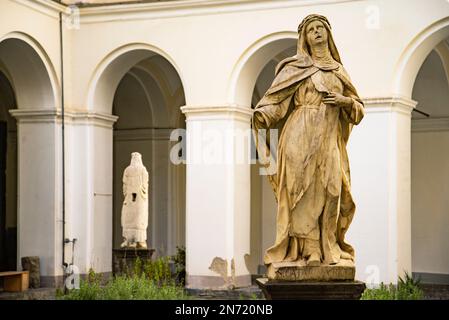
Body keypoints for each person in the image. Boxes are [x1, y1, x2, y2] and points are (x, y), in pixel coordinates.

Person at [253, 14, 364, 267]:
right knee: (302, 191)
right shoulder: (294, 68)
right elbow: (277, 103)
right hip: (298, 135)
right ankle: (311, 249)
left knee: (332, 189)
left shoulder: (339, 71)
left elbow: (358, 109)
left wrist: (344, 101)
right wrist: (263, 115)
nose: (316, 32)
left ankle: (329, 246)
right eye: (311, 29)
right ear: (304, 37)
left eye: (320, 27)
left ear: (328, 33)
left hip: (328, 137)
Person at [121, 152, 149, 249]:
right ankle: (136, 240)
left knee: (134, 218)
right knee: (136, 218)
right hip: (137, 199)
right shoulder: (142, 170)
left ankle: (133, 240)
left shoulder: (128, 170)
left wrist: (127, 193)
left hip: (132, 199)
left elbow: (124, 185)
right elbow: (145, 185)